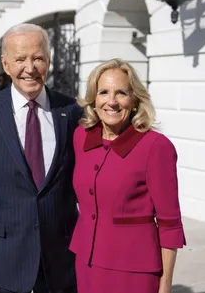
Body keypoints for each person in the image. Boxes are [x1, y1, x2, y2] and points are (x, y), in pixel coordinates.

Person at [0, 23, 82, 293]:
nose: (30, 67)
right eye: (20, 59)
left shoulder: (73, 112)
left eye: (38, 58)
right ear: (5, 64)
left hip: (62, 263)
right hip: (3, 264)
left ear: (48, 61)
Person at [69, 58, 186, 293]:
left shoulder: (155, 146)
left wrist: (164, 287)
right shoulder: (81, 137)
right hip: (86, 264)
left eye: (121, 93)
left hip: (133, 271)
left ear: (134, 101)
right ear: (94, 98)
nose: (111, 102)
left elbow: (169, 224)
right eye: (103, 92)